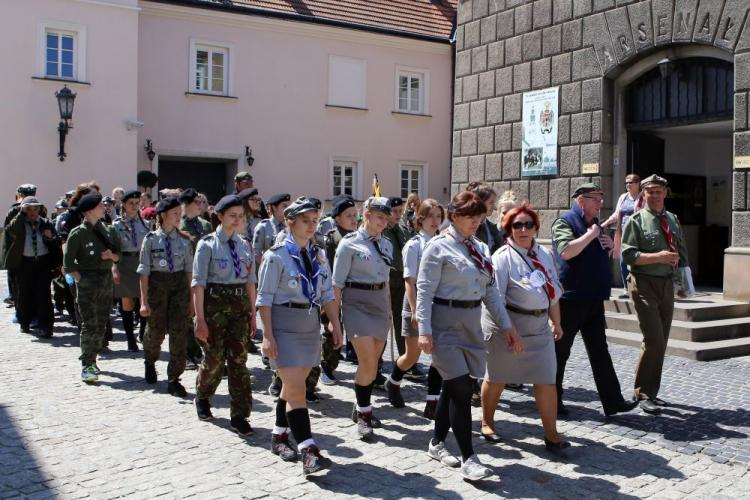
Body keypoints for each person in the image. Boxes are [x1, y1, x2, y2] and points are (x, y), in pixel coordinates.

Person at [416, 191, 522, 481]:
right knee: (461, 389)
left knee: (453, 387)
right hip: (444, 323)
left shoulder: (480, 248)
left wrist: (507, 326)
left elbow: (490, 291)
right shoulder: (438, 247)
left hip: (471, 323)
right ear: (455, 217)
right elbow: (424, 292)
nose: (476, 221)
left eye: (479, 216)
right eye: (469, 216)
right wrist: (423, 330)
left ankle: (437, 443)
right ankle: (469, 458)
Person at [257, 197, 342, 475]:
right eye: (305, 220)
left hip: (309, 324)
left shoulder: (318, 254)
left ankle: (279, 435)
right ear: (289, 221)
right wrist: (267, 336)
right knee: (296, 389)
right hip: (283, 323)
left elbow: (327, 293)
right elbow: (264, 299)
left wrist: (335, 324)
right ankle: (309, 450)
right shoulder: (276, 255)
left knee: (293, 386)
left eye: (315, 220)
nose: (311, 225)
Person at [480, 202, 569, 453]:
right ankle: (487, 421)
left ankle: (551, 434)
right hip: (507, 324)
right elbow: (495, 300)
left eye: (528, 224)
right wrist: (511, 332)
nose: (523, 229)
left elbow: (552, 291)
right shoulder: (502, 258)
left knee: (546, 380)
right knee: (497, 376)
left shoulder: (544, 254)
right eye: (516, 225)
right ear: (508, 229)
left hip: (539, 326)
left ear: (535, 227)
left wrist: (557, 321)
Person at [551, 182, 638, 417]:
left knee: (600, 351)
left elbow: (594, 253)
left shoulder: (594, 224)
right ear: (581, 200)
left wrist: (608, 246)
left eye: (601, 199)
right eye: (596, 199)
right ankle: (552, 401)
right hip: (571, 299)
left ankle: (613, 402)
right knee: (560, 353)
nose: (600, 204)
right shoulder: (565, 221)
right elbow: (566, 251)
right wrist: (591, 236)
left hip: (594, 298)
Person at [621, 174, 688, 415]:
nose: (655, 195)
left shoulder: (672, 219)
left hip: (667, 284)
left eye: (659, 191)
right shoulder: (636, 221)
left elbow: (681, 251)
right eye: (650, 191)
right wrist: (658, 257)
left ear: (665, 193)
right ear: (644, 194)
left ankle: (652, 391)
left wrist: (683, 283)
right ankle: (643, 393)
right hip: (644, 283)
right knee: (654, 339)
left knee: (662, 341)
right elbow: (628, 256)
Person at [192, 194, 257, 436]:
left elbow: (251, 282)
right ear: (220, 216)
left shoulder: (244, 244)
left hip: (240, 305)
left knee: (239, 361)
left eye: (240, 216)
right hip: (214, 306)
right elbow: (198, 284)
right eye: (232, 216)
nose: (237, 220)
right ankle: (203, 394)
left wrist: (253, 314)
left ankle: (239, 414)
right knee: (215, 360)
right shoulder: (207, 244)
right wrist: (200, 318)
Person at [332, 196, 393, 441]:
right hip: (356, 302)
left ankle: (360, 406)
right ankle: (365, 413)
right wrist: (333, 319)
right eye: (379, 217)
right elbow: (336, 284)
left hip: (379, 302)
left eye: (385, 218)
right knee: (367, 360)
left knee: (373, 362)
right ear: (366, 215)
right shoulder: (349, 244)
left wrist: (388, 308)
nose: (383, 222)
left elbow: (386, 279)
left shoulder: (386, 244)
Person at [384, 199, 445, 419]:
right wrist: (416, 310)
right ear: (420, 219)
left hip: (438, 305)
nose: (435, 221)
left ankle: (432, 402)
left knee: (438, 355)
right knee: (411, 357)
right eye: (430, 216)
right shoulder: (414, 245)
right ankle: (393, 382)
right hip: (416, 303)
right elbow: (410, 281)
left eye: (438, 216)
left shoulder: (442, 242)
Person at [138, 197, 194, 396]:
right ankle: (150, 360)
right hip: (157, 287)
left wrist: (192, 300)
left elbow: (189, 271)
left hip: (179, 287)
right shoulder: (151, 239)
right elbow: (144, 272)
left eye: (180, 213)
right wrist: (144, 301)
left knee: (179, 334)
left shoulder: (185, 240)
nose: (179, 217)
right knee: (156, 332)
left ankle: (173, 378)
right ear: (162, 215)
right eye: (175, 213)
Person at [63, 192, 121, 383]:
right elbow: (68, 264)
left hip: (105, 281)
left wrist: (111, 257)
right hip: (87, 281)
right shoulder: (78, 233)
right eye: (99, 206)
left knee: (101, 323)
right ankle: (87, 363)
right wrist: (80, 280)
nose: (104, 208)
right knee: (89, 324)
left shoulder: (110, 231)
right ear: (89, 211)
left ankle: (93, 358)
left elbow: (119, 255)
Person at [4, 196, 60, 338]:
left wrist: (50, 238)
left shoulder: (45, 223)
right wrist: (22, 213)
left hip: (43, 263)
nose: (32, 211)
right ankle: (25, 322)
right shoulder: (20, 223)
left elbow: (57, 241)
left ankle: (46, 326)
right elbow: (10, 229)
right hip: (24, 263)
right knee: (24, 295)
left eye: (35, 208)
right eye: (29, 208)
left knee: (44, 295)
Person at [319, 195, 358, 386]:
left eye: (355, 215)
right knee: (333, 329)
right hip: (333, 291)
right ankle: (326, 366)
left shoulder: (358, 237)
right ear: (337, 218)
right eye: (348, 215)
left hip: (352, 291)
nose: (353, 219)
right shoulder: (333, 239)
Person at [179, 188, 213, 368]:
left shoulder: (205, 225)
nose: (201, 206)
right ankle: (187, 352)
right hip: (186, 275)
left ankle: (200, 351)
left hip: (205, 275)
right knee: (186, 314)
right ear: (187, 205)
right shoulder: (179, 226)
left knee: (203, 313)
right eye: (197, 203)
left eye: (202, 202)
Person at [112, 190, 150, 351]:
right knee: (127, 303)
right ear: (124, 205)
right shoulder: (116, 225)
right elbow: (113, 248)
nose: (134, 206)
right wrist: (114, 268)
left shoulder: (146, 224)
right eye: (130, 204)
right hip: (124, 263)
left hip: (142, 263)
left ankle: (142, 333)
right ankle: (130, 339)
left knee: (143, 300)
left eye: (136, 203)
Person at [382, 197, 411, 361]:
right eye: (395, 211)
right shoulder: (382, 231)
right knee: (384, 321)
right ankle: (378, 362)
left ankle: (404, 357)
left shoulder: (402, 230)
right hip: (388, 278)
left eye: (401, 211)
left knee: (401, 320)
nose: (398, 214)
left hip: (402, 277)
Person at [608, 174, 642, 298]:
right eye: (626, 183)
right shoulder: (623, 197)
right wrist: (605, 223)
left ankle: (638, 289)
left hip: (637, 236)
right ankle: (627, 289)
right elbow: (617, 214)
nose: (628, 185)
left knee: (636, 262)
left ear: (638, 183)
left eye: (631, 182)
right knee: (623, 262)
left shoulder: (643, 197)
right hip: (623, 234)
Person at [253, 193, 291, 265]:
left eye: (289, 206)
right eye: (284, 206)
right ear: (274, 208)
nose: (288, 209)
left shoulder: (290, 227)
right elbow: (256, 254)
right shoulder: (263, 226)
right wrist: (270, 267)